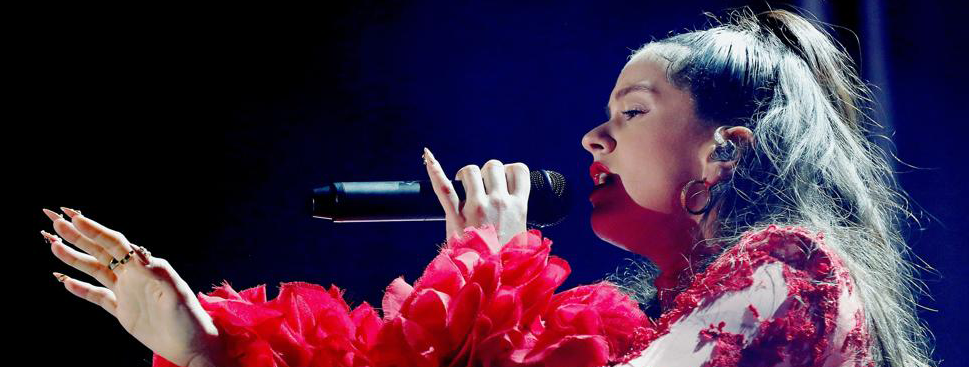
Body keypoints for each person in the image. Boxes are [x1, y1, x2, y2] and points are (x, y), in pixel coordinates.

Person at [40, 8, 935, 367]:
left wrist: (487, 260)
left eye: (629, 111)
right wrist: (209, 349)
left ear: (724, 152)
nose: (592, 137)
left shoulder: (790, 268)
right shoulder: (659, 319)